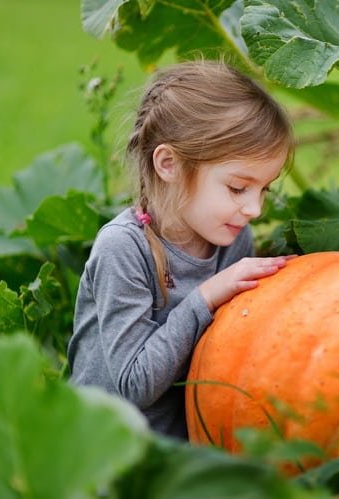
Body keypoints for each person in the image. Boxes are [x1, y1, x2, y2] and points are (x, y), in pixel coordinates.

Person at [67, 59, 295, 440]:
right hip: (104, 458)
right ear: (168, 163)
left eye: (264, 189)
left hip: (187, 453)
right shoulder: (123, 249)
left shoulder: (233, 237)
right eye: (239, 188)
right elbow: (133, 385)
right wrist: (205, 298)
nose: (254, 209)